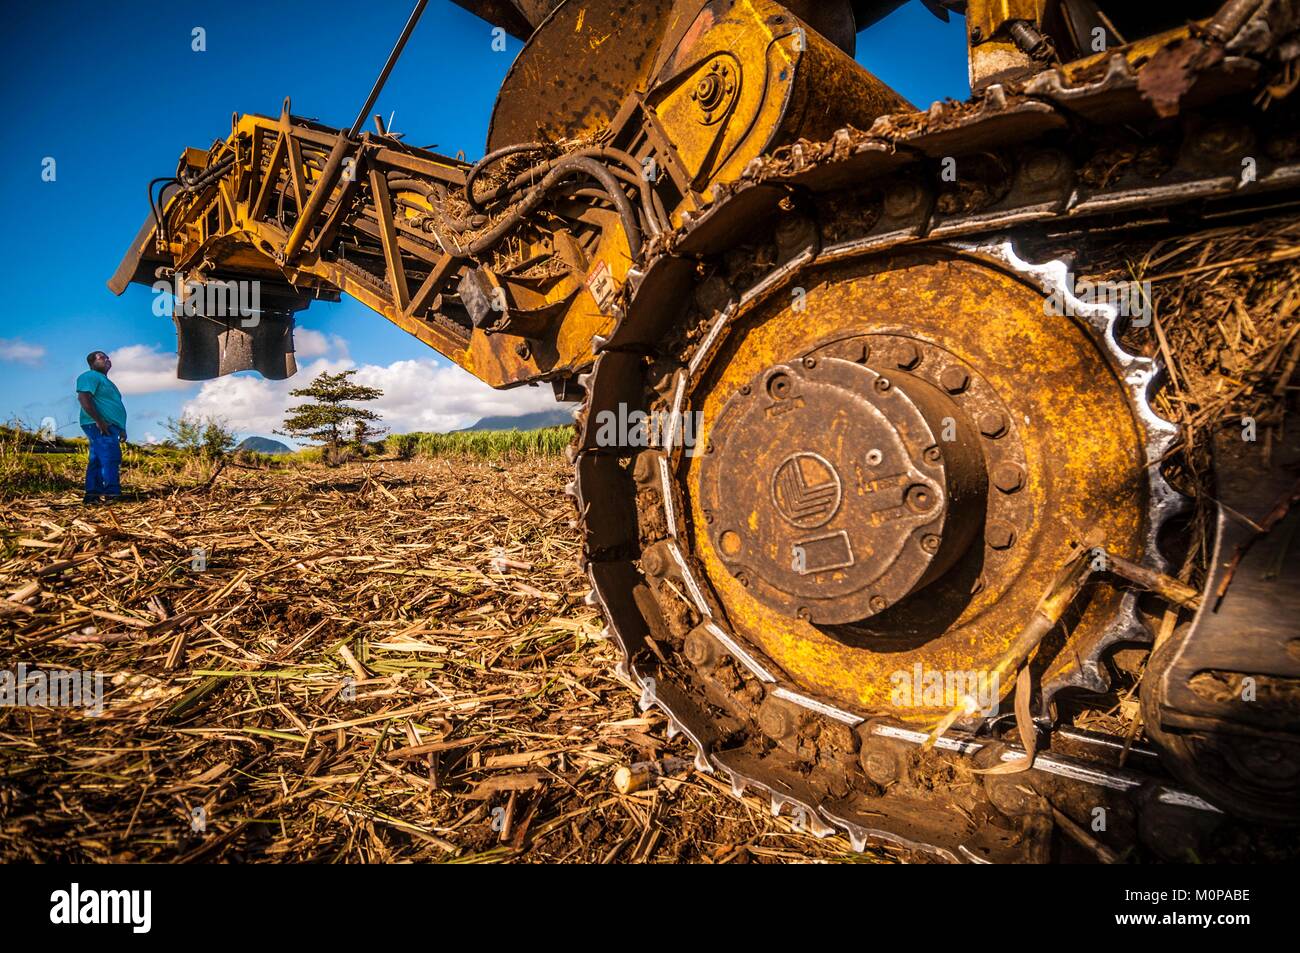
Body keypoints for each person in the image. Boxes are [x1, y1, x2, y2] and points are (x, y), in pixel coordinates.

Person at [76, 351, 128, 503]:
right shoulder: (89, 376)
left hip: (110, 426)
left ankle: (92, 495)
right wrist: (98, 421)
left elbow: (114, 405)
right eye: (102, 357)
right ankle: (112, 493)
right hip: (99, 425)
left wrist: (122, 428)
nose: (107, 359)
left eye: (108, 357)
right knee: (110, 458)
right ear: (92, 362)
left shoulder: (107, 382)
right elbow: (83, 397)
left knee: (98, 460)